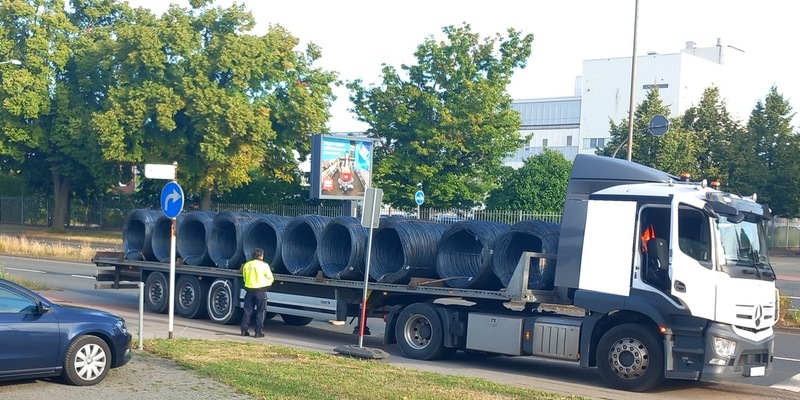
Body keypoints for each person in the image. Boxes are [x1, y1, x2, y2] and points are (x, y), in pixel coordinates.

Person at [239, 248, 274, 338]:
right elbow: (270, 277)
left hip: (249, 291)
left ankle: (243, 331)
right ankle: (258, 332)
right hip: (260, 291)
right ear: (261, 256)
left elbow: (244, 277)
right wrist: (268, 283)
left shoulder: (247, 265)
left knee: (247, 311)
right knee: (260, 312)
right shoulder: (264, 265)